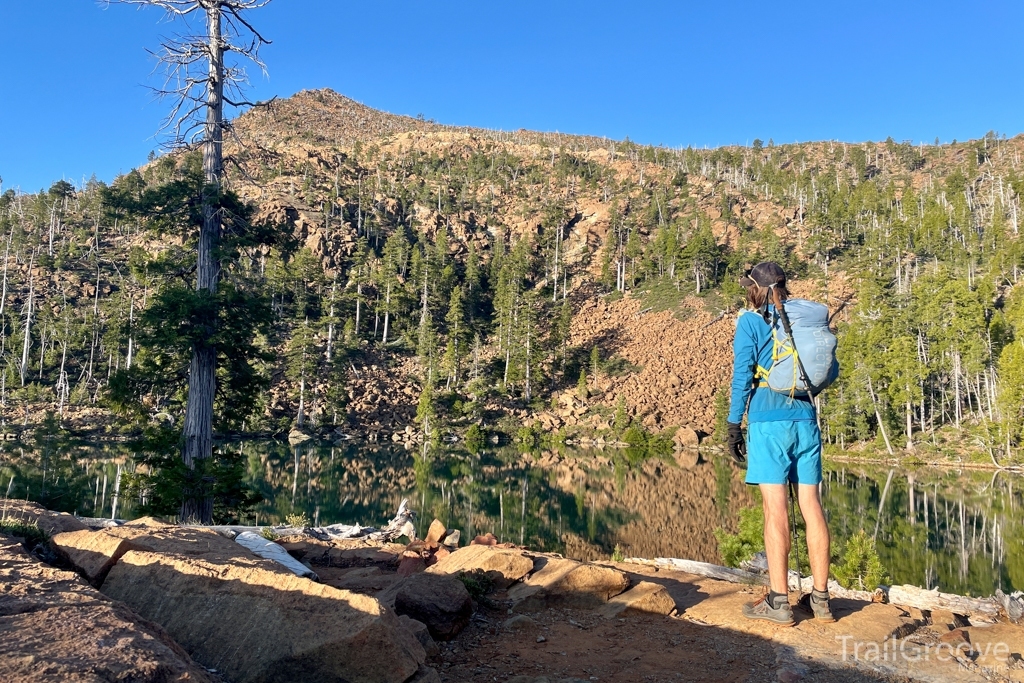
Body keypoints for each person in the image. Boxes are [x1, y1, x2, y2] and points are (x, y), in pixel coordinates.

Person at [725, 261, 833, 626]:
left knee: (776, 511)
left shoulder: (751, 322)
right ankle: (821, 600)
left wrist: (733, 425)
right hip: (805, 419)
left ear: (754, 288)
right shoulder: (800, 320)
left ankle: (778, 601)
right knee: (811, 505)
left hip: (768, 423)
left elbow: (742, 376)